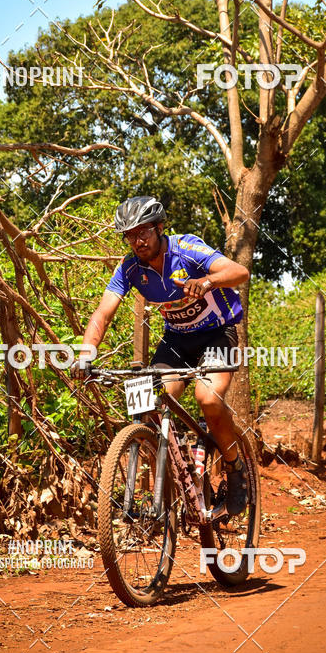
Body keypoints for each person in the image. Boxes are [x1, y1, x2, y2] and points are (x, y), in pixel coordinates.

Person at [72, 195, 251, 515]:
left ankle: (236, 469)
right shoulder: (130, 268)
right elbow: (103, 311)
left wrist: (207, 281)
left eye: (143, 232)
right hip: (177, 339)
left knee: (208, 399)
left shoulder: (187, 249)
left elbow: (239, 272)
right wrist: (87, 353)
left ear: (158, 228)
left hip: (216, 333)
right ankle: (167, 482)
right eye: (130, 235)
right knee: (144, 400)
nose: (137, 241)